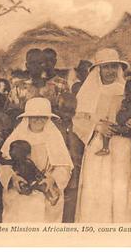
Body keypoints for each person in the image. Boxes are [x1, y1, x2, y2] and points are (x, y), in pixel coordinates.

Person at [73, 48, 131, 223]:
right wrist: (96, 126)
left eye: (113, 67)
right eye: (105, 67)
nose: (110, 71)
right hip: (97, 144)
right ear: (98, 70)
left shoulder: (126, 89)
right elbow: (78, 119)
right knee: (97, 187)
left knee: (120, 188)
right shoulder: (89, 91)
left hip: (122, 146)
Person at [0, 97, 73, 222]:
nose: (38, 120)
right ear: (27, 118)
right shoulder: (18, 135)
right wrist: (13, 178)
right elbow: (4, 164)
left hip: (46, 193)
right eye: (34, 116)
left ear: (48, 119)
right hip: (20, 194)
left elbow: (64, 166)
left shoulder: (54, 137)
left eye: (43, 117)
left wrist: (52, 179)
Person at [52, 93, 85, 222]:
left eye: (71, 111)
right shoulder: (53, 126)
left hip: (75, 170)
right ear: (57, 108)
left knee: (72, 204)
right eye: (64, 110)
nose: (67, 115)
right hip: (58, 169)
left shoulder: (78, 124)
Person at [95, 80, 131, 156]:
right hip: (125, 127)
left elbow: (122, 117)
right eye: (126, 89)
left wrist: (120, 115)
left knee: (109, 128)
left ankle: (105, 148)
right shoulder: (128, 101)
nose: (126, 92)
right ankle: (105, 147)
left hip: (127, 129)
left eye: (130, 91)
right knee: (107, 127)